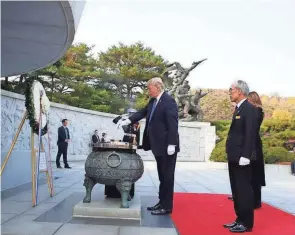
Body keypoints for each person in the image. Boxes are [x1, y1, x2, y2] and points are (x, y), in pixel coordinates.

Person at [118, 77, 179, 215]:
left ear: (158, 87)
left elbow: (173, 124)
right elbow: (142, 113)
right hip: (158, 146)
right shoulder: (153, 101)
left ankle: (167, 206)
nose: (148, 91)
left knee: (167, 177)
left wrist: (172, 144)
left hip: (167, 147)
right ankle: (161, 202)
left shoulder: (169, 101)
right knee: (162, 176)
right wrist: (128, 120)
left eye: (149, 88)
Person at [223, 80, 256, 233]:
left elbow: (250, 133)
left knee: (243, 190)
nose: (230, 92)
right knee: (236, 190)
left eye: (232, 89)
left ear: (240, 91)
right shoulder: (239, 108)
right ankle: (239, 219)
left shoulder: (249, 108)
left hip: (242, 157)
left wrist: (246, 155)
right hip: (234, 156)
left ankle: (246, 222)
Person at [105, 108, 140, 200]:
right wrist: (122, 116)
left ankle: (128, 192)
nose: (131, 115)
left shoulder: (136, 123)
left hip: (131, 143)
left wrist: (136, 144)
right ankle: (112, 192)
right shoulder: (123, 120)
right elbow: (114, 121)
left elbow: (137, 134)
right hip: (122, 140)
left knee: (129, 168)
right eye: (130, 113)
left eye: (133, 113)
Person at [248, 91, 266, 209]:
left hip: (254, 144)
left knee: (254, 173)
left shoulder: (256, 111)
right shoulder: (257, 111)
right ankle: (253, 199)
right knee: (253, 173)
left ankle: (256, 201)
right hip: (254, 143)